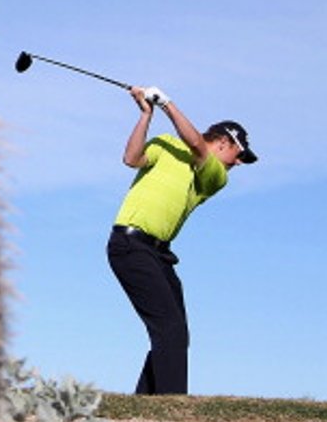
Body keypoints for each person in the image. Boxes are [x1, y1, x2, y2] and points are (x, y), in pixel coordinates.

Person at [106, 84, 257, 395]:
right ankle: (171, 404)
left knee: (175, 334)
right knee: (169, 330)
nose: (238, 163)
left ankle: (147, 404)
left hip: (158, 255)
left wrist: (167, 104)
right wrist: (147, 115)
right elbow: (131, 158)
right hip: (129, 244)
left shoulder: (214, 175)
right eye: (238, 154)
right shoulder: (164, 144)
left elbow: (198, 146)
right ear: (224, 142)